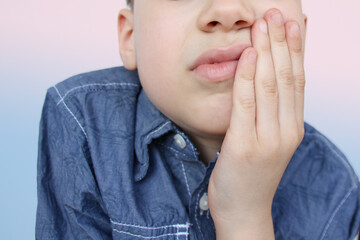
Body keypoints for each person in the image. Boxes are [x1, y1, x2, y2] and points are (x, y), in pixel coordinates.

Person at [36, 0, 360, 239]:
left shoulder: (334, 188)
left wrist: (244, 218)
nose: (227, 11)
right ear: (130, 37)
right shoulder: (83, 124)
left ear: (300, 34)